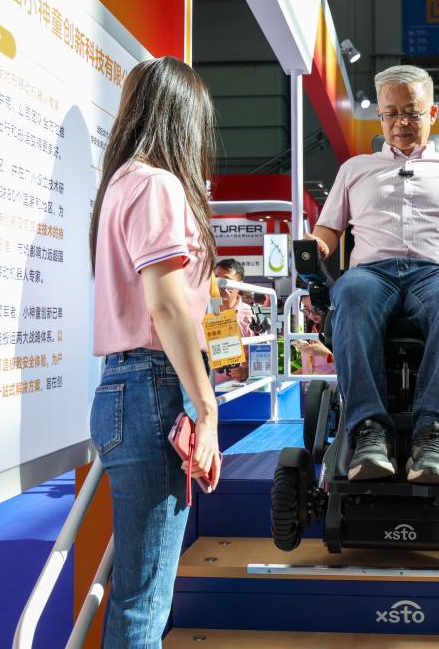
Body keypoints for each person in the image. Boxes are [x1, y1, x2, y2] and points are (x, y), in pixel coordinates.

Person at [307, 64, 439, 487]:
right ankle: (368, 431)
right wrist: (316, 245)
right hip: (372, 274)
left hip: (436, 276)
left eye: (411, 113)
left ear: (431, 113)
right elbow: (328, 229)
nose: (400, 122)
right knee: (350, 291)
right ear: (380, 116)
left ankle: (433, 432)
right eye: (391, 113)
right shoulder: (355, 169)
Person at [87, 57, 220, 646]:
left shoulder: (119, 185)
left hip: (125, 386)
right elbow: (166, 308)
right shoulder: (159, 185)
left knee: (137, 593)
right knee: (145, 600)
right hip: (155, 387)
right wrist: (206, 408)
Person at [213, 258, 254, 382]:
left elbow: (264, 353)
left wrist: (247, 370)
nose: (220, 285)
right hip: (206, 387)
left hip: (239, 387)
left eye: (226, 281)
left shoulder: (251, 315)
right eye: (216, 278)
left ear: (239, 285)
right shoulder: (203, 311)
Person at [293, 295, 336, 375]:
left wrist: (326, 353)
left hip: (331, 382)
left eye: (317, 309)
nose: (311, 315)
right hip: (312, 382)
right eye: (306, 309)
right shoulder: (313, 328)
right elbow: (312, 367)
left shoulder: (338, 330)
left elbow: (347, 365)